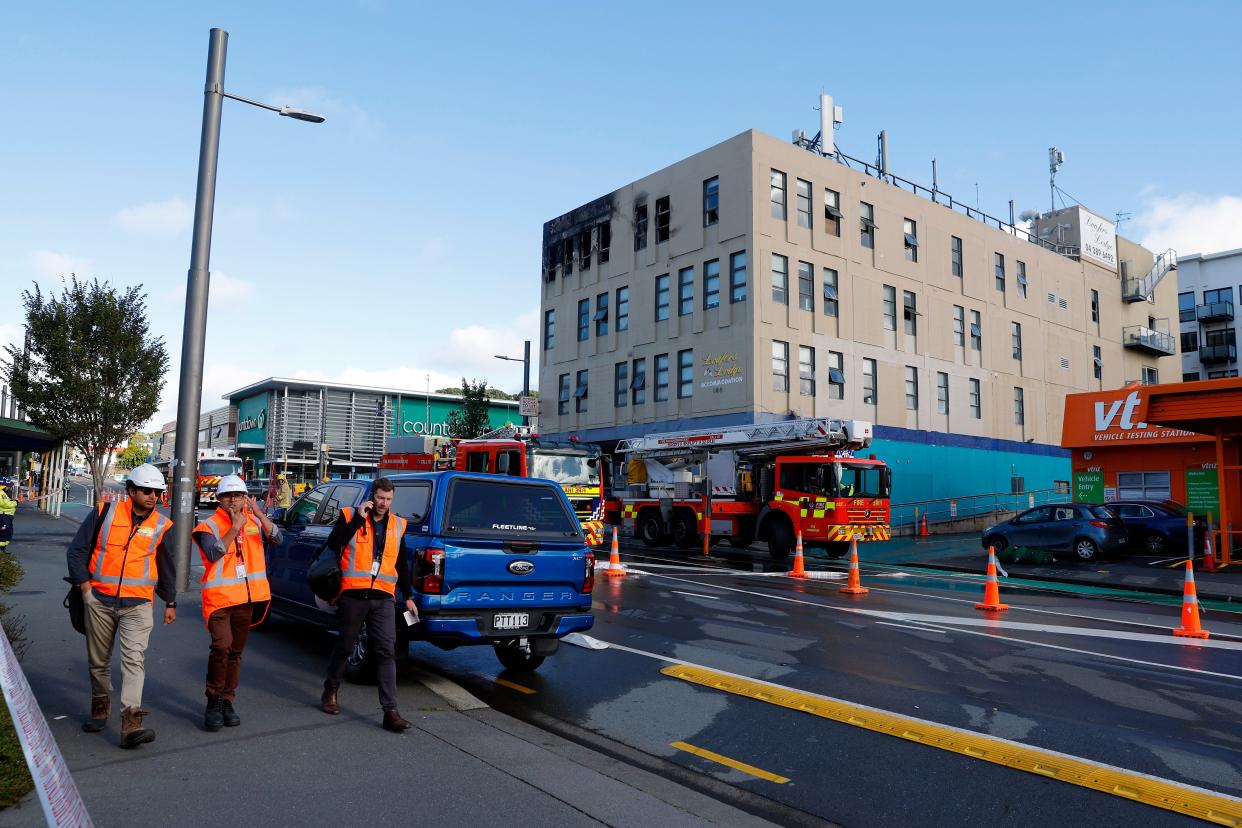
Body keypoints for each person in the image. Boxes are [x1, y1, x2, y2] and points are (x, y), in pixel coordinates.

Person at [65, 463, 176, 749]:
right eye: (147, 490)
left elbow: (166, 565)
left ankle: (131, 723)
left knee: (133, 661)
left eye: (157, 492)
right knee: (99, 662)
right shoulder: (105, 513)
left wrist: (170, 601)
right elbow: (77, 551)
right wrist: (85, 588)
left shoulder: (162, 525)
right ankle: (100, 708)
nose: (153, 496)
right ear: (130, 491)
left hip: (138, 604)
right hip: (99, 601)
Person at [319, 477, 417, 733]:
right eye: (380, 498)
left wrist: (407, 596)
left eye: (388, 499)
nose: (384, 504)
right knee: (345, 646)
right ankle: (330, 690)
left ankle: (390, 711)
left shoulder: (397, 525)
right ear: (372, 496)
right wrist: (357, 520)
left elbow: (401, 563)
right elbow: (334, 543)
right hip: (353, 594)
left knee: (386, 651)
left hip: (384, 597)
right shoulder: (350, 515)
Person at [191, 475, 280, 732]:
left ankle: (228, 699)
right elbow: (213, 553)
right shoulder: (208, 526)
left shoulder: (253, 521)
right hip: (219, 600)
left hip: (246, 597)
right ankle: (213, 699)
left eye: (239, 496)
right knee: (222, 647)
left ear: (244, 498)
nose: (234, 500)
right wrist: (234, 528)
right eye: (228, 496)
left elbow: (278, 538)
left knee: (236, 653)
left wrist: (260, 516)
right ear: (219, 499)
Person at [0, 482, 16, 551]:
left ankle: (3, 547)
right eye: (8, 486)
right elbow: (6, 504)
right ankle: (1, 549)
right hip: (4, 515)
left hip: (8, 515)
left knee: (8, 532)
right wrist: (16, 502)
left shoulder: (3, 493)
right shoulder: (1, 493)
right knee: (3, 532)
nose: (9, 488)